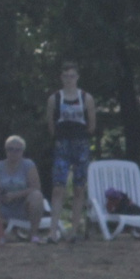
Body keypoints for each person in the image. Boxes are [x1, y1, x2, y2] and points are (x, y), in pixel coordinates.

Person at [45, 62, 97, 242]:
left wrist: (81, 137)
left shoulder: (86, 97)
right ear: (61, 78)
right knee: (58, 187)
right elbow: (50, 123)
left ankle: (74, 231)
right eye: (66, 76)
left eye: (72, 76)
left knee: (79, 188)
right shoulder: (55, 98)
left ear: (77, 77)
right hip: (62, 144)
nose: (69, 79)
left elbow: (92, 124)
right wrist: (60, 137)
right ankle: (53, 231)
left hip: (81, 144)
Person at [0, 135, 48, 241]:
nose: (13, 152)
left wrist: (15, 195)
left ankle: (33, 234)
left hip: (23, 206)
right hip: (2, 205)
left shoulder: (28, 165)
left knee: (37, 196)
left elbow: (35, 187)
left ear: (22, 151)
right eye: (10, 149)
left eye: (17, 150)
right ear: (6, 151)